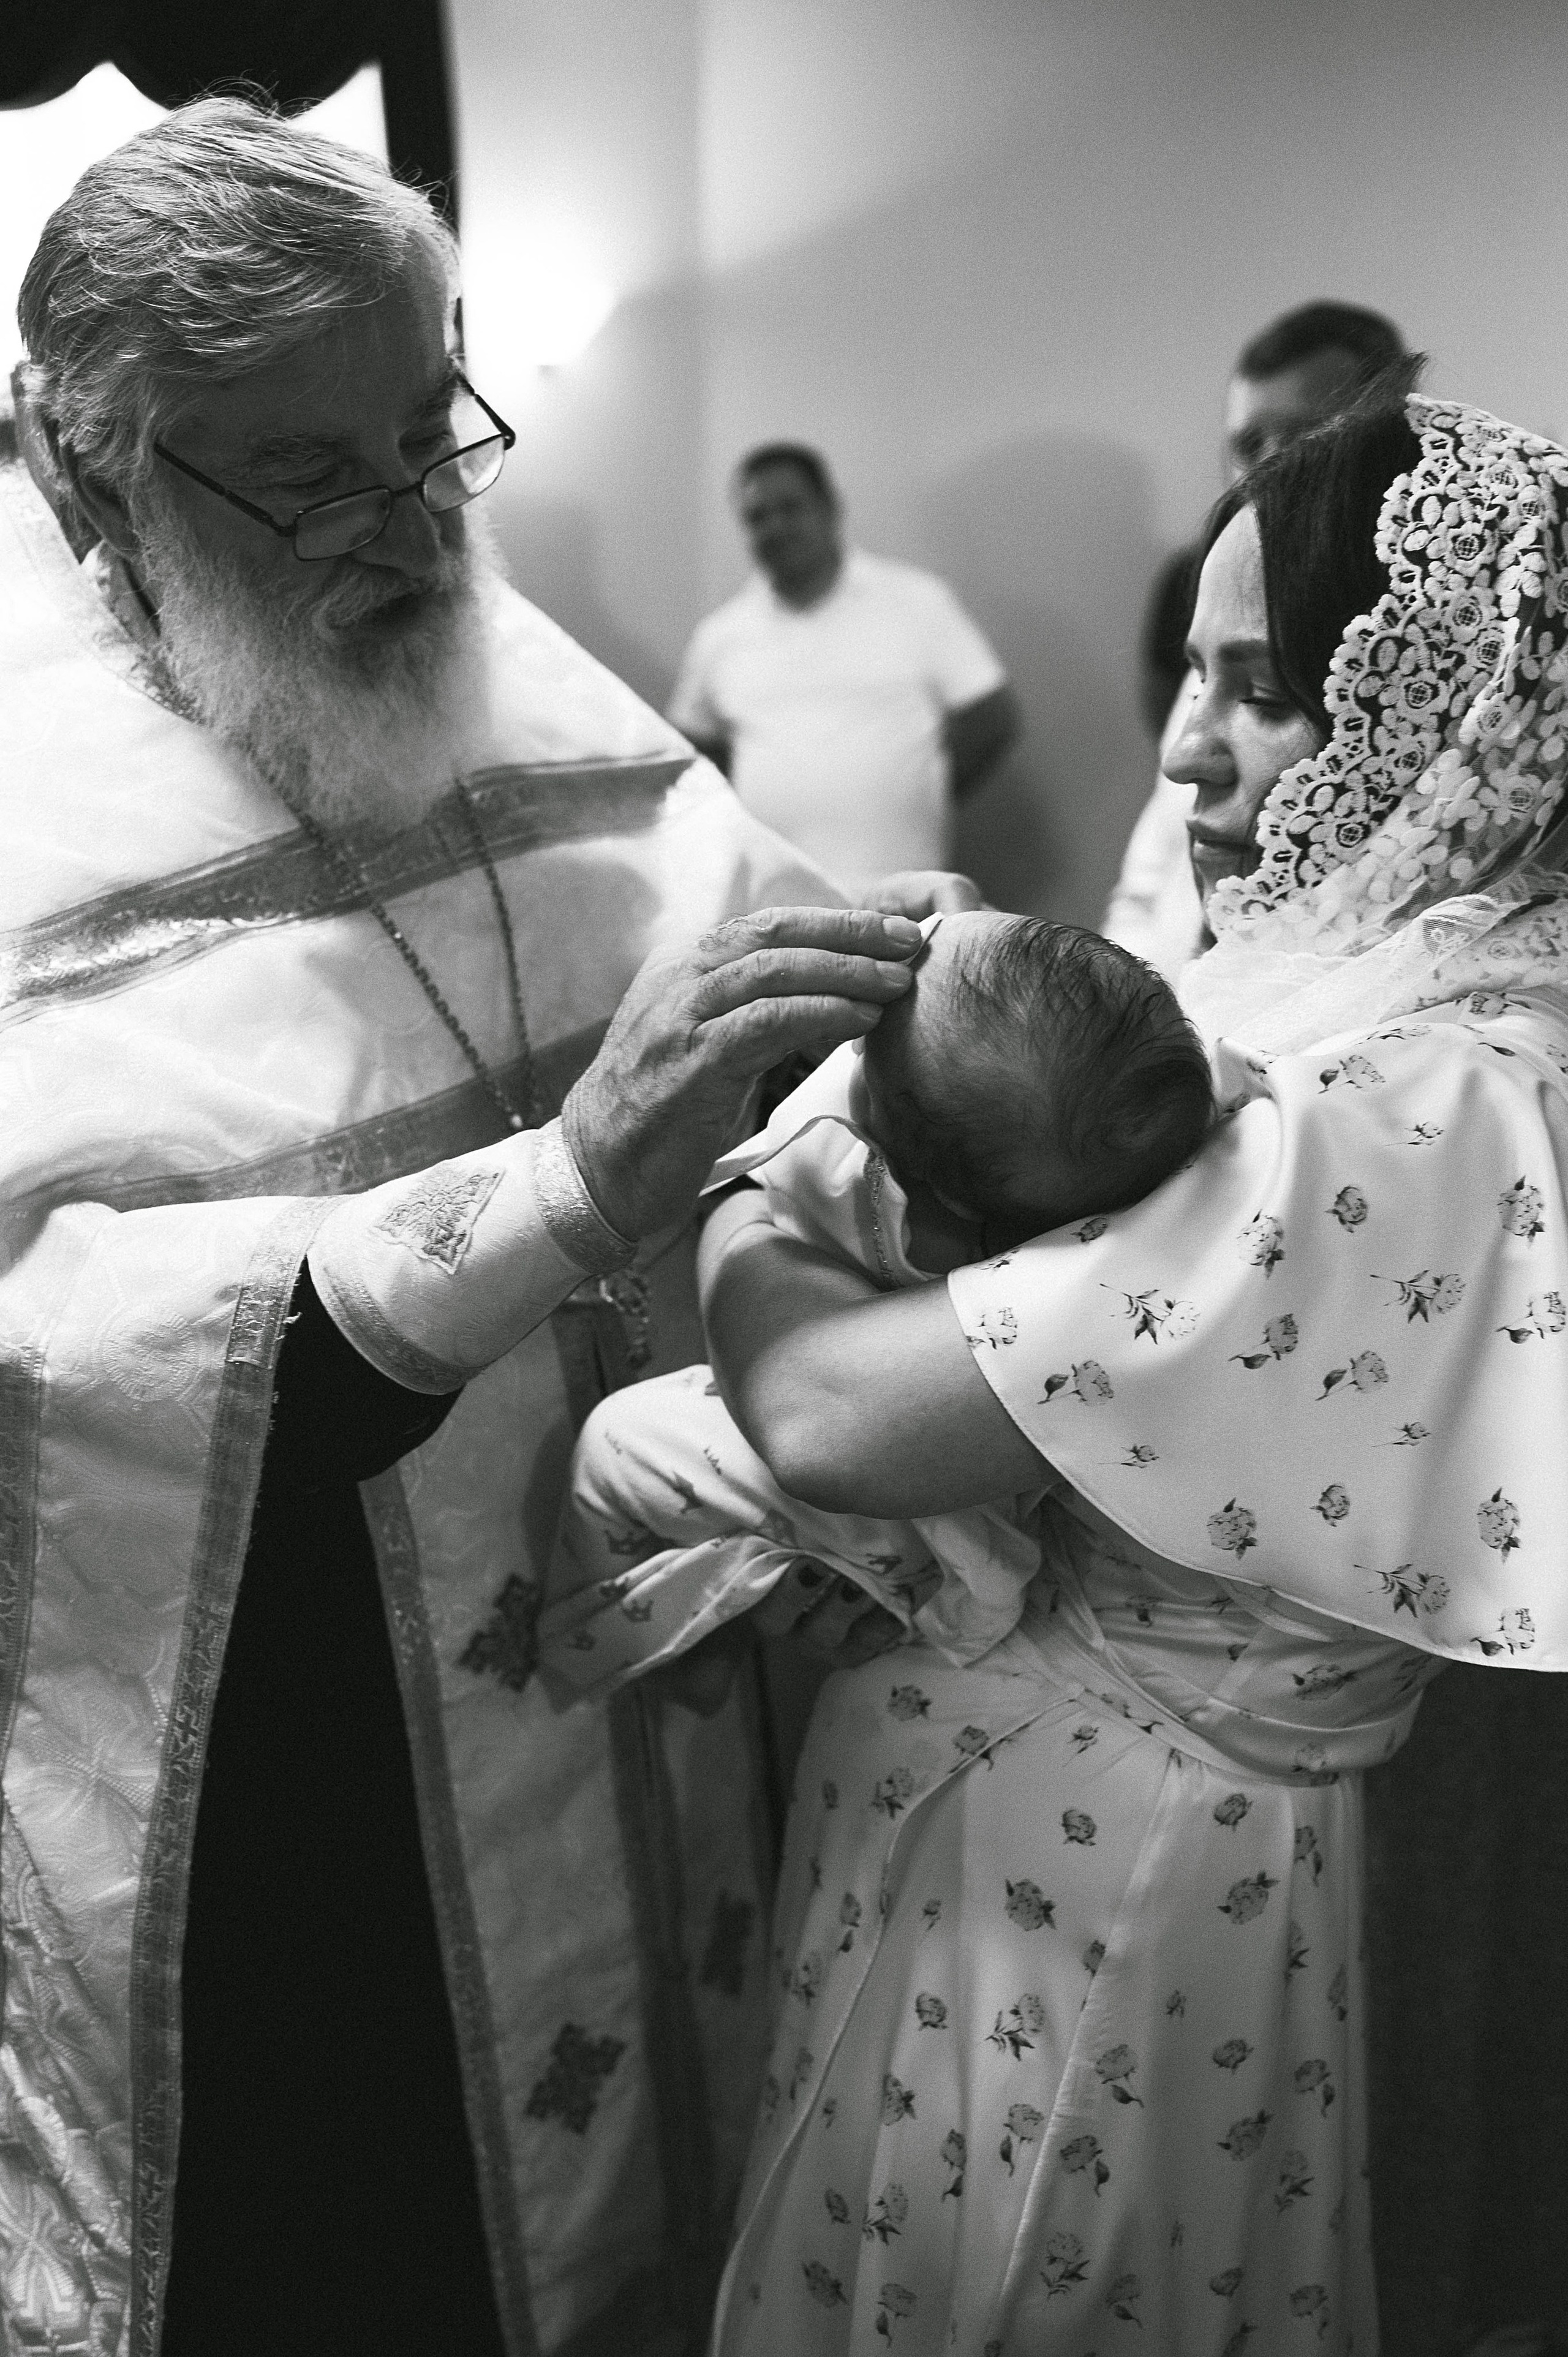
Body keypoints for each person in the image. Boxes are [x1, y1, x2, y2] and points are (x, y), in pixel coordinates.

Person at [0, 97, 948, 2357]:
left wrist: (914, 1024)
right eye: (307, 473)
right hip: (288, 1776)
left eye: (431, 432)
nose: (410, 523)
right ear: (85, 476)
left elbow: (768, 1011)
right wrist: (555, 1187)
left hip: (655, 1686)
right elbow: (47, 1354)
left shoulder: (543, 700)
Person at [682, 372, 1568, 2353]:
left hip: (1125, 1889)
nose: (1183, 751)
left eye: (1267, 688)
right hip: (1101, 1830)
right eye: (1192, 670)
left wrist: (770, 1146)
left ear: (1448, 711)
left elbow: (831, 1415)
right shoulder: (1384, 982)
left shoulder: (1413, 1095)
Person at [538, 912, 1210, 1693]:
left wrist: (740, 1207)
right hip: (948, 1501)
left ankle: (597, 1640)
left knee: (621, 1444)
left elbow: (814, 1417)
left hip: (944, 1532)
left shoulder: (921, 1195)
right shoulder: (1056, 1171)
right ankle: (716, 1602)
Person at [1107, 300, 1406, 981]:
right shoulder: (1197, 592)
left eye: (1302, 438)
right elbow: (1151, 875)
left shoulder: (1413, 656)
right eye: (1248, 444)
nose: (1267, 471)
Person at [668, 444, 1021, 897]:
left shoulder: (915, 602)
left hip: (901, 900)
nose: (775, 527)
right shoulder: (721, 634)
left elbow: (992, 720)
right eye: (757, 517)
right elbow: (694, 752)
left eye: (790, 509)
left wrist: (917, 788)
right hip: (768, 904)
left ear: (830, 508)